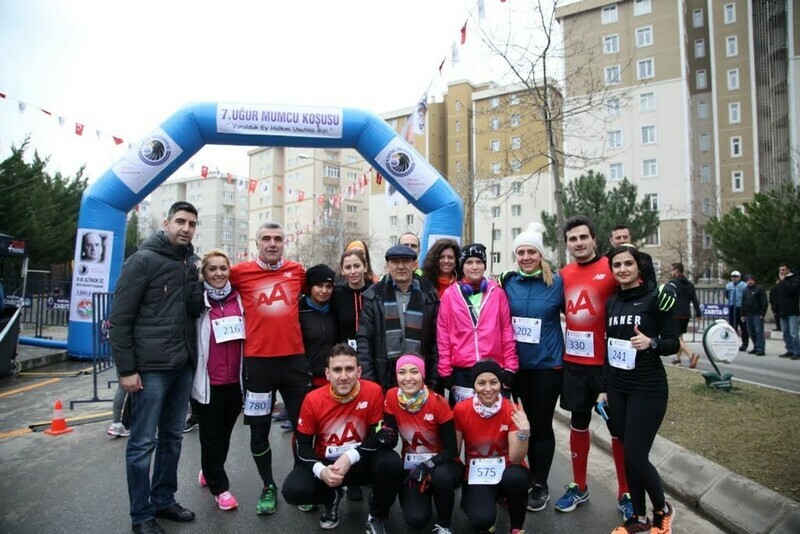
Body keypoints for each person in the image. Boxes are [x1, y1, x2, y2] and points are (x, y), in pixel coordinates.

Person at [110, 201, 202, 534]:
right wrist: (127, 370)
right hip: (150, 369)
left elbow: (192, 311)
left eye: (192, 224)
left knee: (172, 438)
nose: (186, 228)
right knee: (142, 443)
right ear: (166, 223)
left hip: (182, 365)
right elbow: (120, 319)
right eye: (180, 221)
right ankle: (141, 515)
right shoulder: (142, 261)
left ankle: (164, 499)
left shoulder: (190, 263)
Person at [230, 221, 310, 516]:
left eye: (278, 238)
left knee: (304, 428)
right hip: (258, 364)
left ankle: (303, 482)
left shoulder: (297, 271)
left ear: (284, 242)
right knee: (259, 430)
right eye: (266, 238)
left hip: (294, 363)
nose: (272, 243)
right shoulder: (240, 273)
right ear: (257, 243)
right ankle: (268, 486)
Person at [282, 344, 403, 534]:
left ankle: (377, 515)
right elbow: (302, 446)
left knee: (392, 463)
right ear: (327, 374)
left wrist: (349, 457)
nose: (344, 376)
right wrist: (321, 470)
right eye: (337, 370)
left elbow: (380, 438)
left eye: (349, 369)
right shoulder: (313, 399)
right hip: (327, 463)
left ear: (359, 371)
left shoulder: (373, 391)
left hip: (360, 459)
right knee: (293, 489)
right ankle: (330, 497)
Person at [557, 216, 632, 520]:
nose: (578, 243)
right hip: (575, 365)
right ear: (567, 244)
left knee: (617, 429)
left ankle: (626, 492)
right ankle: (580, 486)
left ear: (594, 240)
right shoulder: (563, 274)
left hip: (608, 366)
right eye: (572, 239)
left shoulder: (611, 268)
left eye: (583, 237)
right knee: (578, 423)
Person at [602, 245, 678, 534]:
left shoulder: (656, 298)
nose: (622, 269)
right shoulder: (611, 303)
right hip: (618, 387)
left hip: (647, 387)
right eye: (617, 265)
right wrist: (604, 388)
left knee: (635, 456)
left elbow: (672, 342)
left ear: (639, 267)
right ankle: (638, 516)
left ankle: (662, 511)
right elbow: (610, 347)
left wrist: (651, 343)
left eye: (628, 264)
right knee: (628, 455)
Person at [500, 223, 564, 512]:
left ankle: (541, 483)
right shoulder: (507, 282)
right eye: (521, 252)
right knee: (519, 424)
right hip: (516, 367)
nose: (526, 257)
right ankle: (524, 474)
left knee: (541, 425)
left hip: (546, 367)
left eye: (531, 252)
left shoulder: (557, 283)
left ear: (540, 255)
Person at [383, 354, 463, 533]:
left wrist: (428, 466)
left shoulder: (438, 403)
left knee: (441, 477)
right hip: (412, 464)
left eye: (414, 372)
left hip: (443, 463)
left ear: (423, 374)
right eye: (402, 372)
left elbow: (451, 450)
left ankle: (444, 524)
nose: (408, 378)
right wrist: (384, 438)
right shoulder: (391, 396)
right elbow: (391, 439)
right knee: (416, 519)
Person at [192, 249, 245, 511]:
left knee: (224, 434)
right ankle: (220, 487)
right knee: (211, 436)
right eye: (212, 269)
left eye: (223, 268)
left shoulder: (239, 299)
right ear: (204, 273)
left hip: (234, 381)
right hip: (208, 381)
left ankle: (209, 467)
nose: (218, 273)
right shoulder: (197, 301)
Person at [453, 359, 531, 534]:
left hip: (508, 470)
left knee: (516, 477)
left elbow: (516, 459)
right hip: (477, 473)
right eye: (481, 383)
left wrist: (524, 432)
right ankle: (478, 500)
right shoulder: (461, 409)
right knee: (481, 519)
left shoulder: (512, 409)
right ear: (474, 386)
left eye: (493, 382)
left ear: (500, 384)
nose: (488, 388)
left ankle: (516, 528)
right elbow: (455, 452)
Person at [437, 242, 518, 406]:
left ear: (484, 265)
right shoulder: (450, 295)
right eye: (469, 262)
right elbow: (443, 334)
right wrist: (444, 369)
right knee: (463, 418)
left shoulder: (497, 293)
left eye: (479, 262)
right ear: (462, 266)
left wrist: (511, 366)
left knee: (494, 417)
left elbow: (507, 331)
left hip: (493, 369)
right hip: (462, 372)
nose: (474, 267)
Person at [356, 244, 440, 392]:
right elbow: (365, 342)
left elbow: (436, 343)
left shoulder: (429, 294)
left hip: (420, 376)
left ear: (415, 264)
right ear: (387, 265)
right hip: (383, 376)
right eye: (395, 262)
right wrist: (371, 384)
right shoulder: (374, 295)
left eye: (406, 261)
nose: (401, 267)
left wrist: (433, 381)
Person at [301, 264, 339, 389]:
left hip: (332, 377)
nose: (324, 290)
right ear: (310, 286)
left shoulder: (336, 309)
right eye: (319, 285)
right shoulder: (299, 311)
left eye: (328, 286)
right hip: (305, 378)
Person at [331, 248, 374, 350]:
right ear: (342, 270)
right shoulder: (335, 295)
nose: (353, 271)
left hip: (372, 351)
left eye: (357, 266)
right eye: (348, 267)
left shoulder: (375, 292)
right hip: (344, 352)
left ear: (365, 267)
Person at [667, 263, 702, 368]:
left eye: (672, 270)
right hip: (686, 314)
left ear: (677, 271)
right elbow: (694, 300)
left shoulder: (673, 283)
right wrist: (698, 314)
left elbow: (668, 297)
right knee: (680, 337)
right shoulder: (689, 284)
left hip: (675, 313)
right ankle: (677, 359)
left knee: (676, 338)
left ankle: (691, 355)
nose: (671, 272)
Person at [774, 264, 800, 359]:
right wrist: (775, 308)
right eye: (780, 270)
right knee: (785, 333)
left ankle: (797, 351)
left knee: (793, 333)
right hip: (782, 310)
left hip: (792, 311)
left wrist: (783, 281)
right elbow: (776, 295)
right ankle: (790, 350)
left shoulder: (795, 279)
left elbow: (792, 290)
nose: (781, 271)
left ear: (788, 270)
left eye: (783, 269)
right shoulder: (780, 281)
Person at [742, 274, 768, 357]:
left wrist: (762, 313)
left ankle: (760, 349)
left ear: (754, 280)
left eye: (751, 280)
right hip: (748, 314)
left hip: (757, 314)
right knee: (751, 332)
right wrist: (743, 314)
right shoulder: (745, 290)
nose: (750, 281)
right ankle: (755, 347)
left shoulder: (759, 289)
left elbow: (764, 302)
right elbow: (743, 302)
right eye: (748, 280)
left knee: (759, 332)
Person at [725, 270, 749, 351]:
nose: (734, 278)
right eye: (733, 276)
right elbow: (727, 295)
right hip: (732, 307)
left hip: (741, 307)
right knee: (732, 327)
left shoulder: (744, 285)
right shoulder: (728, 285)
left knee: (743, 327)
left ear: (739, 277)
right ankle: (733, 343)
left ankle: (744, 344)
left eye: (736, 277)